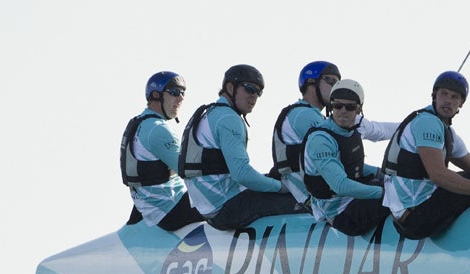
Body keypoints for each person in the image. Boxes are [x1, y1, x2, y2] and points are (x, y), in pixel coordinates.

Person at [381, 70, 470, 240]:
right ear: (434, 96)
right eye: (444, 94)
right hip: (413, 220)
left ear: (461, 104)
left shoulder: (447, 133)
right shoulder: (428, 123)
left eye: (455, 97)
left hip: (413, 213)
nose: (448, 100)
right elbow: (438, 175)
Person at [178, 64, 297, 231]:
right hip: (225, 209)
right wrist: (281, 188)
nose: (254, 96)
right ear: (230, 87)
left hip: (209, 208)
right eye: (249, 89)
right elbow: (242, 175)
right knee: (298, 197)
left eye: (258, 92)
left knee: (273, 180)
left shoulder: (211, 113)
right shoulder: (228, 118)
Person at [271, 60, 398, 207]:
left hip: (327, 190)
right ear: (311, 83)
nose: (335, 85)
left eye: (338, 81)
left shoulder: (325, 119)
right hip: (313, 197)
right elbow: (341, 163)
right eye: (330, 80)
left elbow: (377, 130)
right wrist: (380, 180)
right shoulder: (304, 116)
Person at [300, 79, 390, 236]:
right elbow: (340, 186)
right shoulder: (321, 140)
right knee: (402, 196)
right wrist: (385, 193)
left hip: (352, 200)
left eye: (350, 107)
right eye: (337, 106)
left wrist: (382, 173)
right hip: (341, 214)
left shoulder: (351, 130)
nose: (343, 111)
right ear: (331, 106)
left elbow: (352, 164)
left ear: (358, 109)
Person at [120, 71, 204, 231]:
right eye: (174, 93)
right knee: (231, 199)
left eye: (183, 93)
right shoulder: (157, 129)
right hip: (171, 211)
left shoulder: (139, 123)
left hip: (152, 208)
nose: (181, 98)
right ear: (156, 95)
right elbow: (190, 171)